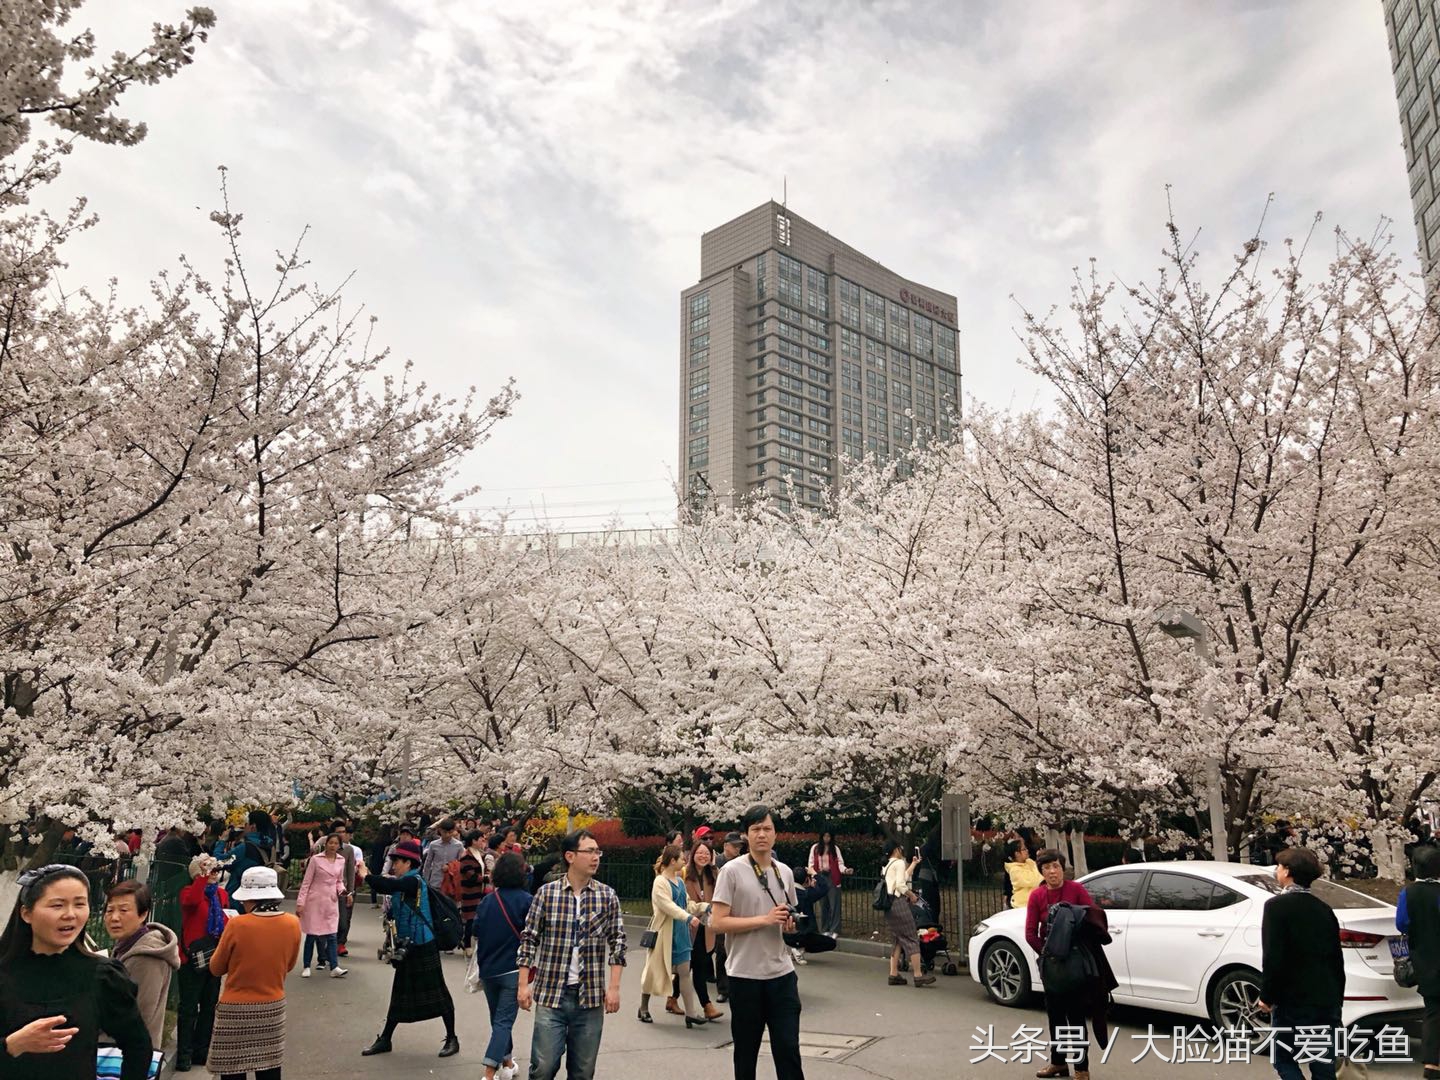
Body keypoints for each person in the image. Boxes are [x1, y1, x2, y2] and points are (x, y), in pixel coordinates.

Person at [0, 863, 152, 1080]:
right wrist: (12, 1046)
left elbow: (138, 1046)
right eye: (57, 905)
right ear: (26, 913)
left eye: (80, 904)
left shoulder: (101, 976)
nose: (70, 915)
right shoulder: (5, 972)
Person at [516, 829, 626, 1080]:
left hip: (589, 998)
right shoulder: (547, 894)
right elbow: (529, 938)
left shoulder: (606, 896)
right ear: (570, 856)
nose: (596, 857)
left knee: (583, 1072)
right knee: (543, 1068)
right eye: (590, 851)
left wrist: (615, 987)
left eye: (598, 851)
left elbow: (618, 941)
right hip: (552, 995)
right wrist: (523, 985)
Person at [710, 805, 804, 1080]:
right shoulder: (731, 871)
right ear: (746, 836)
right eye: (756, 829)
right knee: (746, 1053)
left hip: (782, 975)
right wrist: (763, 920)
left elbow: (789, 914)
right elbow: (718, 922)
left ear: (775, 834)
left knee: (788, 1050)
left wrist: (791, 925)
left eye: (767, 829)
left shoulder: (783, 871)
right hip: (744, 976)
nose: (762, 834)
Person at [363, 838, 459, 1059]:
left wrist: (365, 875)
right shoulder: (404, 881)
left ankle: (452, 1037)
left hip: (424, 945)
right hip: (409, 946)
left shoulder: (413, 881)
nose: (394, 865)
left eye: (397, 861)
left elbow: (387, 885)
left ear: (409, 863)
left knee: (438, 994)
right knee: (400, 995)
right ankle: (386, 1038)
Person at [1256, 847, 1344, 1080]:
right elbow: (1336, 958)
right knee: (1322, 1060)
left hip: (1291, 998)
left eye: (1279, 866)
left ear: (1288, 872)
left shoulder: (1276, 907)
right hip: (1325, 998)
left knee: (1283, 1057)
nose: (1277, 870)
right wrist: (1337, 999)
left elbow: (1273, 956)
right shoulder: (1324, 909)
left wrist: (1267, 995)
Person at [206, 867, 301, 1080]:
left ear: (250, 899)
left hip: (236, 1010)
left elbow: (216, 968)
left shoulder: (238, 924)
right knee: (269, 1070)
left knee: (232, 1071)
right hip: (272, 1007)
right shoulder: (292, 923)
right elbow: (289, 964)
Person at [1026, 850, 1098, 1080]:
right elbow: (1030, 933)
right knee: (1055, 1016)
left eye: (1056, 866)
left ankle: (1081, 1068)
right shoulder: (1037, 896)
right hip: (1052, 966)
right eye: (1046, 868)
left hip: (1074, 962)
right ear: (1042, 872)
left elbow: (1091, 917)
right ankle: (1058, 1063)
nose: (1052, 871)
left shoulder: (1076, 890)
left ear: (1062, 868)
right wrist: (1047, 954)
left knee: (1075, 1016)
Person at [469, 853, 532, 1080]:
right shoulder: (527, 901)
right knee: (503, 1022)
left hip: (488, 969)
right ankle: (489, 1073)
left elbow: (475, 930)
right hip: (513, 969)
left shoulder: (488, 900)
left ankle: (507, 1062)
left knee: (498, 1020)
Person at [637, 845, 709, 1026]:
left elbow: (686, 903)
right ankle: (643, 1007)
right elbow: (667, 906)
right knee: (653, 971)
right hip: (664, 934)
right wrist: (688, 917)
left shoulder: (680, 881)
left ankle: (691, 1013)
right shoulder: (660, 882)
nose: (685, 860)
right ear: (672, 861)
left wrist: (703, 907)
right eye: (681, 858)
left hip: (681, 933)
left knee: (685, 973)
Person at [103, 881, 181, 1049]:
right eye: (109, 910)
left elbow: (139, 1015)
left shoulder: (147, 958)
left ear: (143, 914)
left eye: (123, 910)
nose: (114, 917)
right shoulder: (126, 946)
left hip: (128, 1056)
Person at [176, 854, 229, 1073]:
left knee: (209, 1007)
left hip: (214, 958)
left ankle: (201, 1051)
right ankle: (184, 1053)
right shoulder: (189, 892)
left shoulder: (221, 894)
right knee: (188, 1008)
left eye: (215, 871)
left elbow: (227, 920)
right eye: (209, 871)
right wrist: (202, 876)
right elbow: (192, 902)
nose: (214, 874)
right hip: (192, 959)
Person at [1397, 845, 1440, 1080]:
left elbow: (1402, 924)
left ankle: (1432, 1064)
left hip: (1426, 959)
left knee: (1433, 1011)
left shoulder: (1409, 893)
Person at [881, 841, 934, 988]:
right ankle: (918, 975)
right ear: (896, 850)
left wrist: (913, 864)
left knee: (898, 938)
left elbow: (902, 877)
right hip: (898, 903)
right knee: (912, 937)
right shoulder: (898, 863)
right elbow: (900, 884)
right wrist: (911, 895)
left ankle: (893, 973)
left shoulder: (888, 865)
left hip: (889, 906)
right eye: (900, 848)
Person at [294, 833, 348, 979]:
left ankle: (334, 966)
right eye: (330, 843)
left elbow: (339, 880)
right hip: (315, 900)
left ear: (339, 845)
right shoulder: (316, 860)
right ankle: (306, 965)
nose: (333, 846)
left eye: (336, 843)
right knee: (312, 934)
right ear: (326, 844)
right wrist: (301, 903)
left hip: (331, 901)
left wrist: (342, 891)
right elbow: (306, 882)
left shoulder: (341, 860)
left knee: (331, 935)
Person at [684, 841, 725, 1022]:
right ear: (693, 855)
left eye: (707, 853)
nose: (703, 856)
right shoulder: (683, 873)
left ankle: (673, 998)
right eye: (699, 853)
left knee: (695, 965)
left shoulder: (714, 874)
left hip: (707, 926)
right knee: (692, 966)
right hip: (687, 925)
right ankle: (706, 1005)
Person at [450, 829, 490, 958]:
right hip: (470, 890)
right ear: (473, 840)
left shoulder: (479, 854)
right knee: (470, 918)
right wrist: (487, 878)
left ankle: (470, 943)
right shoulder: (466, 855)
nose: (483, 842)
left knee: (477, 917)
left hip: (479, 890)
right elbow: (471, 876)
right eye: (481, 840)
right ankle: (467, 944)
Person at [806, 831, 851, 938]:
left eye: (829, 836)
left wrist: (845, 870)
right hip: (820, 875)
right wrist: (814, 876)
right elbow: (811, 863)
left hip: (832, 876)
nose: (827, 838)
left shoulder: (834, 849)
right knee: (823, 904)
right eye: (825, 836)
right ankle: (824, 928)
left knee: (834, 903)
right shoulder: (815, 848)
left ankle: (835, 929)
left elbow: (840, 863)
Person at [226, 812, 277, 897]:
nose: (244, 826)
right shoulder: (271, 846)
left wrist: (221, 841)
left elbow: (220, 860)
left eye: (246, 824)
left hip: (238, 896)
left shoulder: (245, 847)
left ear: (253, 826)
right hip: (261, 895)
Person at [420, 819, 463, 895]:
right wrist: (426, 881)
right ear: (440, 830)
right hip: (436, 882)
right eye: (445, 832)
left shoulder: (458, 845)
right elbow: (428, 863)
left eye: (450, 832)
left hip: (451, 883)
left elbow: (461, 863)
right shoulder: (433, 845)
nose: (447, 835)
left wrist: (450, 867)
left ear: (453, 831)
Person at [1005, 837, 1042, 910]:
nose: (1027, 851)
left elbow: (1042, 874)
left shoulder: (1029, 862)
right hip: (1022, 905)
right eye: (1024, 849)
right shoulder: (1014, 870)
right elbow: (1035, 881)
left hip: (1037, 902)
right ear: (1017, 854)